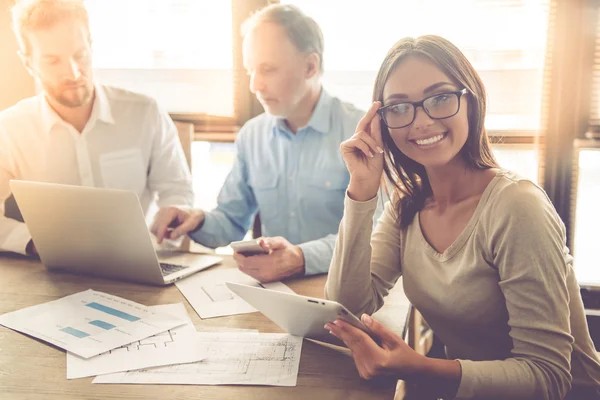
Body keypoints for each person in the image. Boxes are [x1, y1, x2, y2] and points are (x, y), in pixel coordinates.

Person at [324, 35, 600, 399]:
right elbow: (348, 307)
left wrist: (415, 366)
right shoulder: (407, 205)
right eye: (399, 107)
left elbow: (548, 378)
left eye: (440, 98)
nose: (420, 121)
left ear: (472, 101)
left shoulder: (517, 206)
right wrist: (362, 188)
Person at [152, 4, 371, 283]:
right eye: (250, 71)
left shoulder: (360, 133)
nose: (255, 85)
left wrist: (301, 258)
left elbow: (374, 235)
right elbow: (230, 222)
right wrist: (196, 219)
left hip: (345, 289)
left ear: (310, 66)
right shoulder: (252, 136)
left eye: (267, 69)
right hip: (273, 291)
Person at [0, 0, 193, 256]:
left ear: (91, 46)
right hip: (51, 271)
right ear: (28, 63)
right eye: (52, 61)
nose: (73, 72)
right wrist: (35, 241)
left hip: (136, 263)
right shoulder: (10, 128)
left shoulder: (145, 113)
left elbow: (177, 192)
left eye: (79, 55)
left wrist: (167, 225)